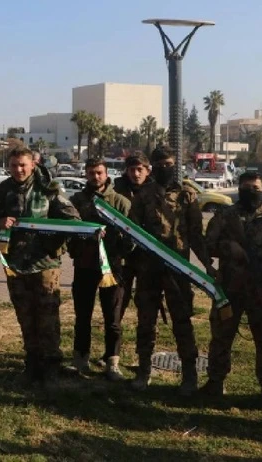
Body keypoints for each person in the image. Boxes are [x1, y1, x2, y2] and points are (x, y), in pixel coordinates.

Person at [0, 147, 80, 389]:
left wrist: (53, 240)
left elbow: (73, 220)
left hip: (45, 265)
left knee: (47, 318)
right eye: (14, 166)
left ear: (32, 165)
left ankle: (51, 368)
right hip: (16, 265)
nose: (18, 170)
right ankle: (32, 365)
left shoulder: (48, 189)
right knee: (25, 316)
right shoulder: (4, 189)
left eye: (23, 165)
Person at [128, 147, 215, 395]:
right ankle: (144, 371)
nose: (164, 168)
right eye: (159, 164)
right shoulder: (143, 194)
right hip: (148, 270)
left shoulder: (187, 195)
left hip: (178, 270)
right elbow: (132, 230)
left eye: (168, 164)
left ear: (175, 165)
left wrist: (208, 265)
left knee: (182, 323)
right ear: (152, 166)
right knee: (146, 321)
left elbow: (196, 236)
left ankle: (189, 376)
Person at [201, 171, 262, 401]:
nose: (252, 193)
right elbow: (209, 246)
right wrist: (227, 249)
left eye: (256, 189)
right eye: (247, 189)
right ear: (239, 189)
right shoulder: (225, 216)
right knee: (221, 336)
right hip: (230, 289)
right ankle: (215, 382)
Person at [67, 158, 130, 381]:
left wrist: (117, 246)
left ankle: (112, 362)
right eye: (92, 172)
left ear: (106, 173)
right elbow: (69, 231)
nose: (96, 177)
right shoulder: (76, 200)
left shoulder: (120, 202)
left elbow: (130, 237)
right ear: (85, 173)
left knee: (112, 319)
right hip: (84, 266)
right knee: (82, 316)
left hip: (112, 270)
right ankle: (80, 359)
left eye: (100, 172)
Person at [113, 153, 154, 318]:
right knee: (118, 304)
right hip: (123, 257)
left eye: (139, 169)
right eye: (132, 170)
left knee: (147, 306)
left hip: (148, 256)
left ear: (148, 171)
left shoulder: (156, 192)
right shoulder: (116, 191)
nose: (135, 174)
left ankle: (145, 343)